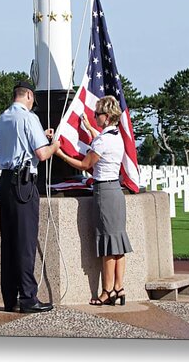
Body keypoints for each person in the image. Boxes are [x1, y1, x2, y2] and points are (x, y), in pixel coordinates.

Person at [55, 95, 133, 306]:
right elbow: (100, 139)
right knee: (118, 243)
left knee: (108, 245)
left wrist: (60, 153)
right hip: (115, 190)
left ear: (106, 117)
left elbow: (84, 164)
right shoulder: (116, 136)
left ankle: (106, 291)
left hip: (104, 192)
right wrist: (89, 128)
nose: (94, 116)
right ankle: (119, 287)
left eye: (97, 114)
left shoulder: (103, 140)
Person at [0, 81, 60, 313]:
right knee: (25, 242)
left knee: (10, 241)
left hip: (5, 181)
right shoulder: (29, 118)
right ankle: (28, 297)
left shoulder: (4, 117)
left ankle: (10, 297)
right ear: (30, 96)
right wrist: (54, 145)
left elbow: (19, 143)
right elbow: (41, 154)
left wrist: (39, 136)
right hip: (24, 183)